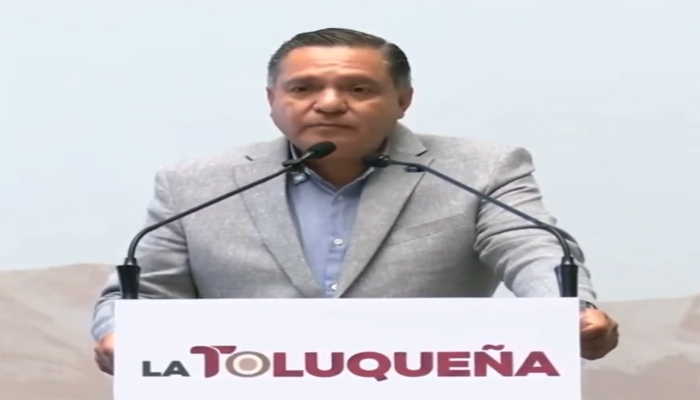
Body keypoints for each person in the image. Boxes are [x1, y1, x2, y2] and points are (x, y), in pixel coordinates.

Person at [91, 27, 619, 374]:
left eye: (358, 89)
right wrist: (119, 334)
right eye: (302, 88)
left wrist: (569, 314)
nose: (329, 103)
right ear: (273, 101)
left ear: (402, 100)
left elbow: (531, 250)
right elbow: (142, 294)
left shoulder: (481, 168)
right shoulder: (195, 182)